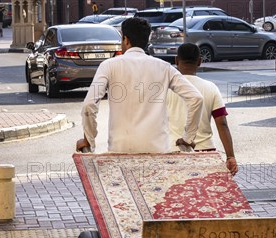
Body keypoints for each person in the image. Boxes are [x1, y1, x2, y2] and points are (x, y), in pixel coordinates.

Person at [77, 17, 203, 154]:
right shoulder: (164, 67)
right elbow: (196, 98)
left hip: (121, 148)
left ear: (126, 39)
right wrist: (188, 138)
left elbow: (89, 104)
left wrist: (89, 139)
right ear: (146, 41)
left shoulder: (108, 66)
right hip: (158, 148)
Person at [167, 43, 238, 176]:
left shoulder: (167, 88)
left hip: (173, 151)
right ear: (200, 61)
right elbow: (222, 123)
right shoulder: (210, 87)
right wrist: (230, 157)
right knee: (203, 195)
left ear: (176, 60)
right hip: (205, 152)